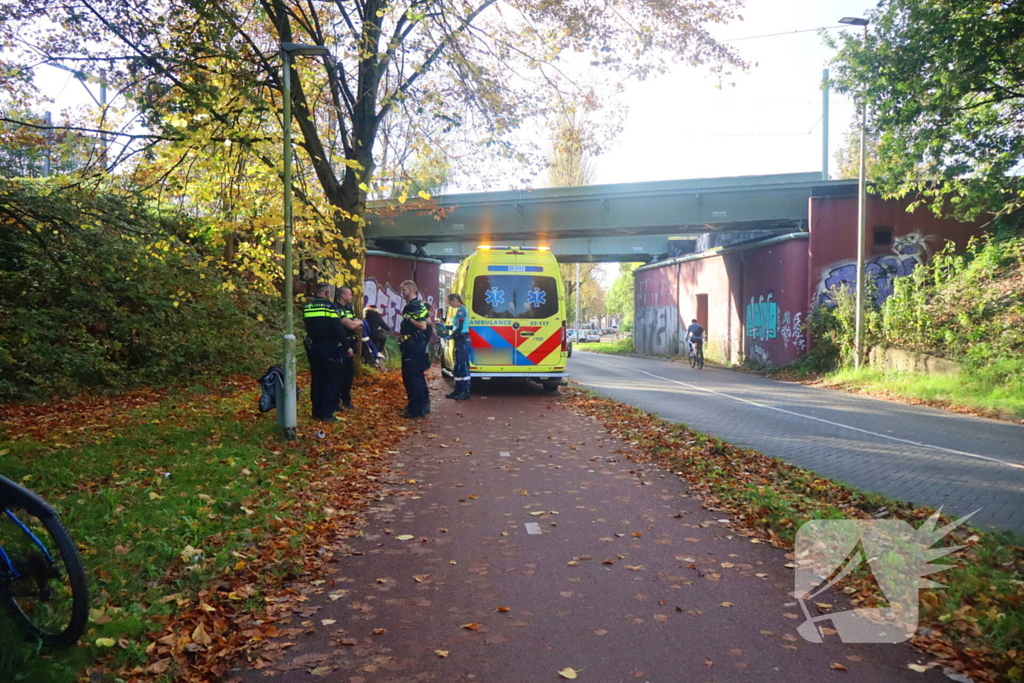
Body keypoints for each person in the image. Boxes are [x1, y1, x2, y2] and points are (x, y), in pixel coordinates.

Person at [303, 283, 349, 422]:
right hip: (329, 347)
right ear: (327, 293)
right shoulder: (330, 307)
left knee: (316, 379)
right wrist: (347, 346)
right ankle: (327, 413)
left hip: (313, 347)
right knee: (330, 380)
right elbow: (338, 328)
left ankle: (316, 411)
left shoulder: (308, 307)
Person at [398, 280, 431, 418]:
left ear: (411, 290)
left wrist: (409, 319)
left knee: (412, 376)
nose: (402, 293)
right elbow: (428, 323)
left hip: (413, 344)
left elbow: (423, 326)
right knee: (415, 375)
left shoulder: (415, 306)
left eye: (404, 290)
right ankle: (421, 404)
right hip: (414, 344)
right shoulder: (416, 305)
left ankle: (416, 409)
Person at [332, 286, 364, 409]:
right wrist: (358, 323)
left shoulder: (349, 308)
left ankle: (346, 400)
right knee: (338, 375)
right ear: (343, 295)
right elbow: (351, 325)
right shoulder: (336, 308)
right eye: (350, 294)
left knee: (348, 375)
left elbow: (355, 322)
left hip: (351, 343)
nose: (351, 296)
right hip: (340, 345)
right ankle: (336, 402)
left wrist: (357, 323)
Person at [440, 293, 471, 400]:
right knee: (457, 366)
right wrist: (446, 326)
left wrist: (450, 336)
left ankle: (465, 391)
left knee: (462, 365)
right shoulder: (459, 310)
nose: (449, 304)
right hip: (459, 339)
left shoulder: (462, 310)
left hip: (462, 339)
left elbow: (460, 327)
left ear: (455, 300)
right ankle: (458, 390)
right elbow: (455, 326)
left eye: (449, 302)